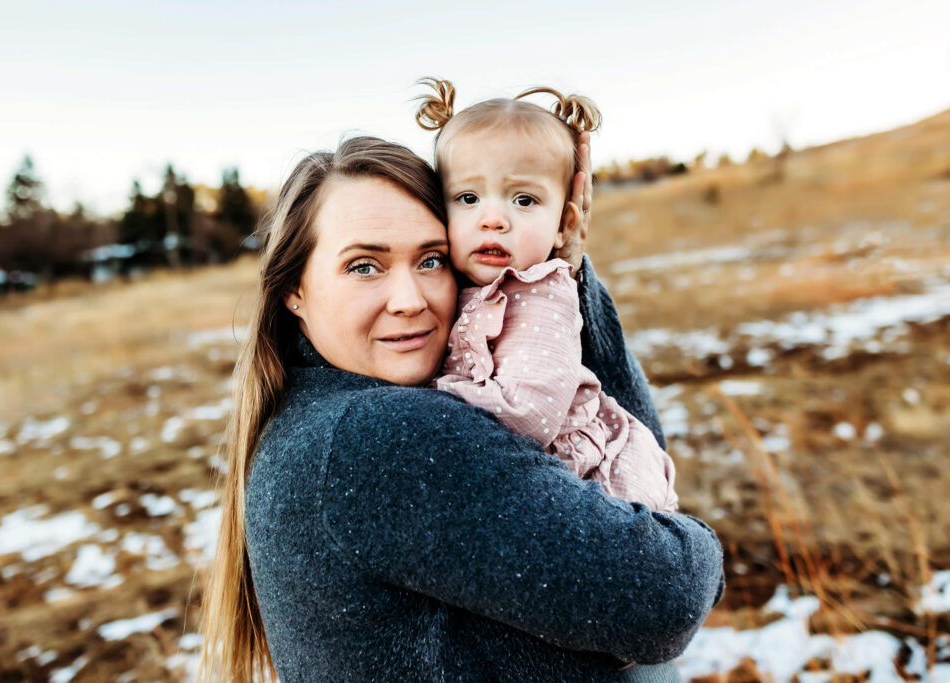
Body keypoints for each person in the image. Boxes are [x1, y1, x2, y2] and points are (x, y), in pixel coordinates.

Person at [199, 135, 724, 682]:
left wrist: (559, 277)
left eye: (431, 259)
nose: (410, 300)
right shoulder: (379, 438)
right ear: (293, 290)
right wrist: (702, 552)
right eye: (363, 267)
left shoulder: (321, 416)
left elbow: (629, 448)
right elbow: (666, 595)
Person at [417, 78, 679, 513]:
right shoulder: (455, 287)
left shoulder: (543, 295)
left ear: (564, 224)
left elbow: (526, 415)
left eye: (523, 199)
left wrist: (422, 397)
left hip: (595, 479)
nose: (494, 218)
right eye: (468, 197)